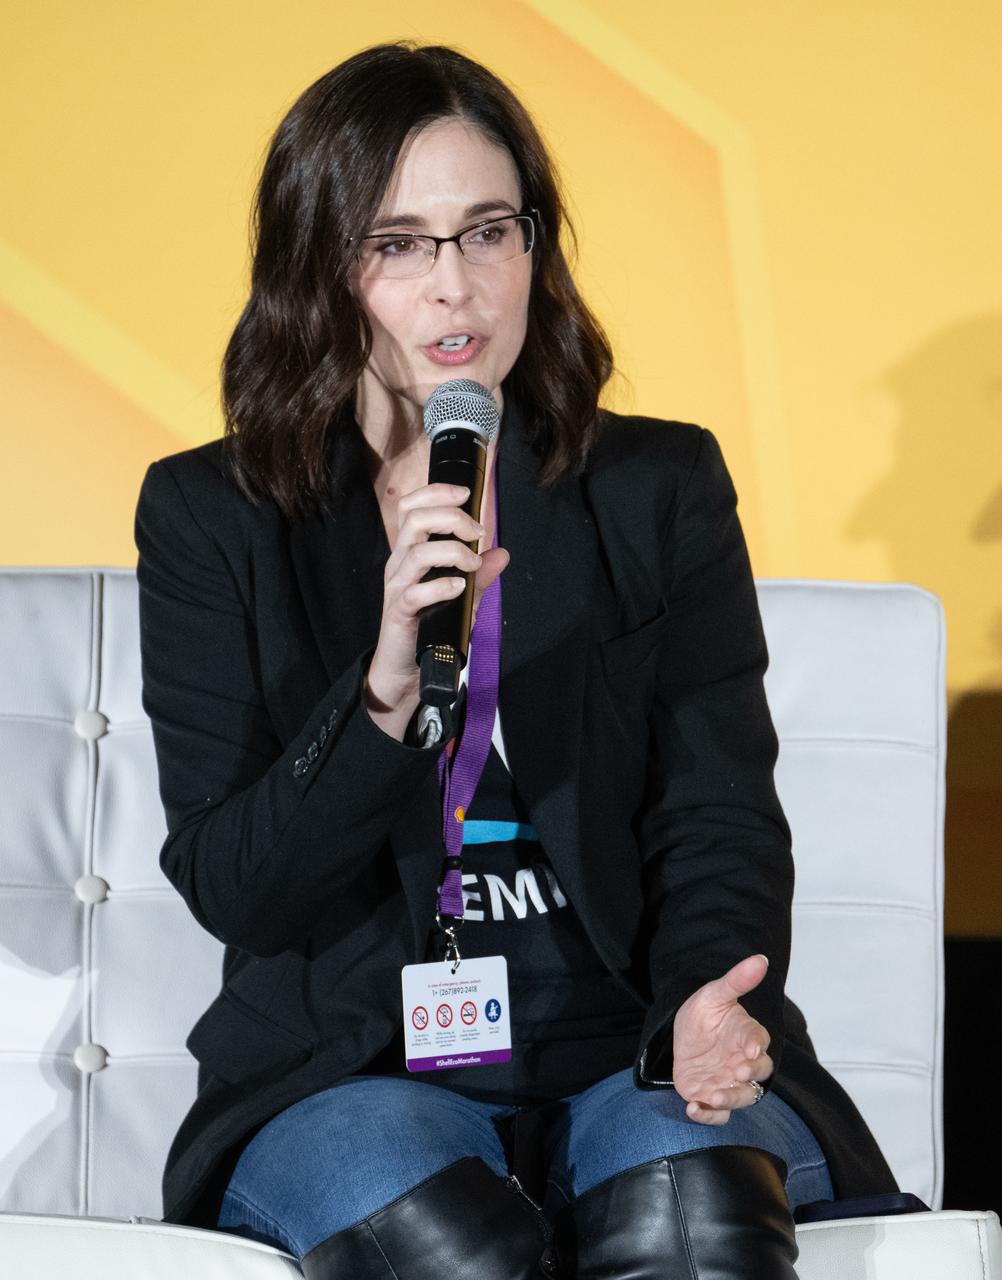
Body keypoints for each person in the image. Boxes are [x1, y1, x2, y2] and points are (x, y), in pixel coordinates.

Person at [134, 41, 896, 1280]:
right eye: (399, 245)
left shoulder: (655, 485)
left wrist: (708, 1002)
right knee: (452, 1249)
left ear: (536, 249)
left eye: (490, 232)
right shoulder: (215, 516)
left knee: (689, 1219)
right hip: (360, 1068)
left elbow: (717, 810)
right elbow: (239, 884)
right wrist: (385, 688)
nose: (458, 289)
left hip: (624, 1043)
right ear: (319, 268)